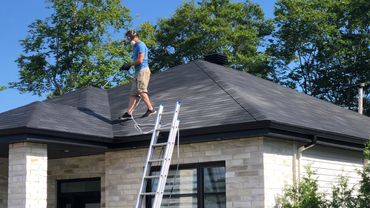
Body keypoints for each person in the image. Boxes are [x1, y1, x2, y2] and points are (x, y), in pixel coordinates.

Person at [119, 30, 156, 119]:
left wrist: (129, 64)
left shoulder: (140, 45)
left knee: (141, 90)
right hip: (138, 71)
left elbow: (140, 60)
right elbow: (136, 61)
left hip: (143, 70)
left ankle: (151, 109)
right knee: (133, 93)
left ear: (133, 37)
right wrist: (127, 65)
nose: (127, 39)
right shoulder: (135, 47)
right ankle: (129, 113)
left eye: (128, 37)